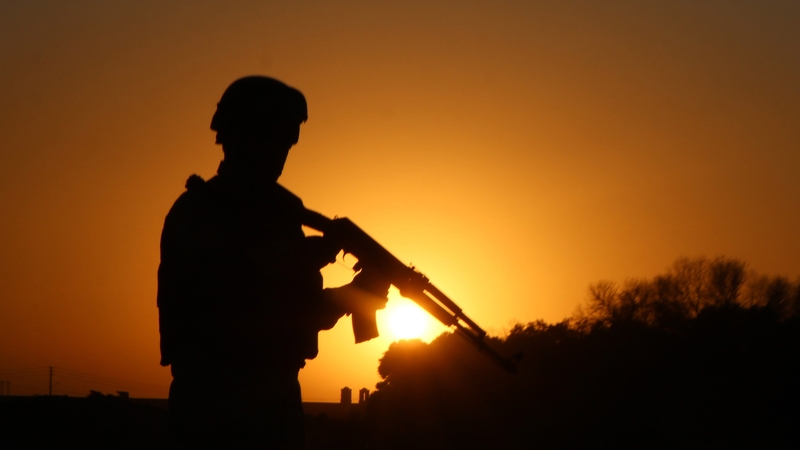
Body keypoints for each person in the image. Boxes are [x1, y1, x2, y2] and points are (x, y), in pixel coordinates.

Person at [157, 76, 387, 449]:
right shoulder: (205, 212)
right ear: (242, 137)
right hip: (223, 401)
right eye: (274, 140)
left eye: (286, 143)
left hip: (266, 397)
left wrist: (352, 290)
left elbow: (287, 297)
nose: (281, 154)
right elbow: (256, 305)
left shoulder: (273, 212)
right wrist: (348, 291)